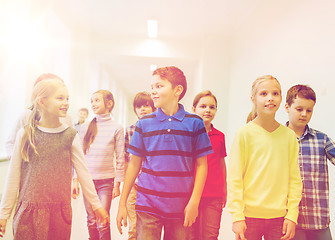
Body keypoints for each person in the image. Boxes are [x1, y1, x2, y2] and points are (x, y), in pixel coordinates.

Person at [0, 78, 109, 240]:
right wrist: (4, 213)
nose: (66, 102)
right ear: (42, 102)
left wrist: (96, 205)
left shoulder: (70, 136)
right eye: (60, 98)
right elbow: (13, 176)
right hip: (28, 214)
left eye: (67, 98)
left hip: (59, 215)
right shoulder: (25, 134)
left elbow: (83, 174)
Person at [116, 66, 213, 240]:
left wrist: (194, 201)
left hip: (181, 207)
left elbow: (202, 164)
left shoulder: (195, 123)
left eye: (159, 86)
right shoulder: (144, 124)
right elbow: (134, 164)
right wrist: (122, 203)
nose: (153, 91)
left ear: (177, 90)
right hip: (148, 204)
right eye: (152, 87)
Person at [228, 75, 302, 240]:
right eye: (264, 94)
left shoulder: (289, 136)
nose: (270, 98)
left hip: (279, 219)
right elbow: (235, 178)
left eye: (275, 93)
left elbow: (295, 179)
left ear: (281, 98)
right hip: (248, 218)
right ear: (253, 99)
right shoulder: (244, 134)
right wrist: (237, 216)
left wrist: (292, 215)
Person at [285, 85, 334, 240]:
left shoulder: (322, 139)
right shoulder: (277, 139)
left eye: (309, 110)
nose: (304, 114)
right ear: (287, 107)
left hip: (318, 219)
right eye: (299, 109)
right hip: (290, 221)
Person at [75, 89, 125, 240]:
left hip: (106, 182)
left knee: (102, 221)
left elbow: (121, 158)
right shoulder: (85, 128)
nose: (93, 104)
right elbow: (78, 156)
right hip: (88, 182)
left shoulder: (117, 128)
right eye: (92, 101)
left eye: (97, 100)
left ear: (109, 103)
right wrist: (75, 179)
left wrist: (117, 184)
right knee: (91, 220)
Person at [5, 73, 74, 160]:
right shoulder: (26, 115)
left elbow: (71, 145)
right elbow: (10, 143)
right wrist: (20, 162)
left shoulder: (67, 118)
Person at [191, 90, 227, 240]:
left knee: (211, 236)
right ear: (194, 109)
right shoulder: (188, 135)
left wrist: (224, 189)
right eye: (203, 106)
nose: (207, 110)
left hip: (214, 196)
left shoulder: (220, 136)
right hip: (191, 195)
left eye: (212, 107)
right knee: (190, 235)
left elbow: (221, 163)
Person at [125, 91, 156, 240]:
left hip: (151, 185)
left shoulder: (157, 130)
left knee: (147, 226)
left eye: (146, 105)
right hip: (134, 184)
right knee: (133, 226)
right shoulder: (130, 130)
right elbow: (127, 158)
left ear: (153, 107)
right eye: (139, 106)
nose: (142, 109)